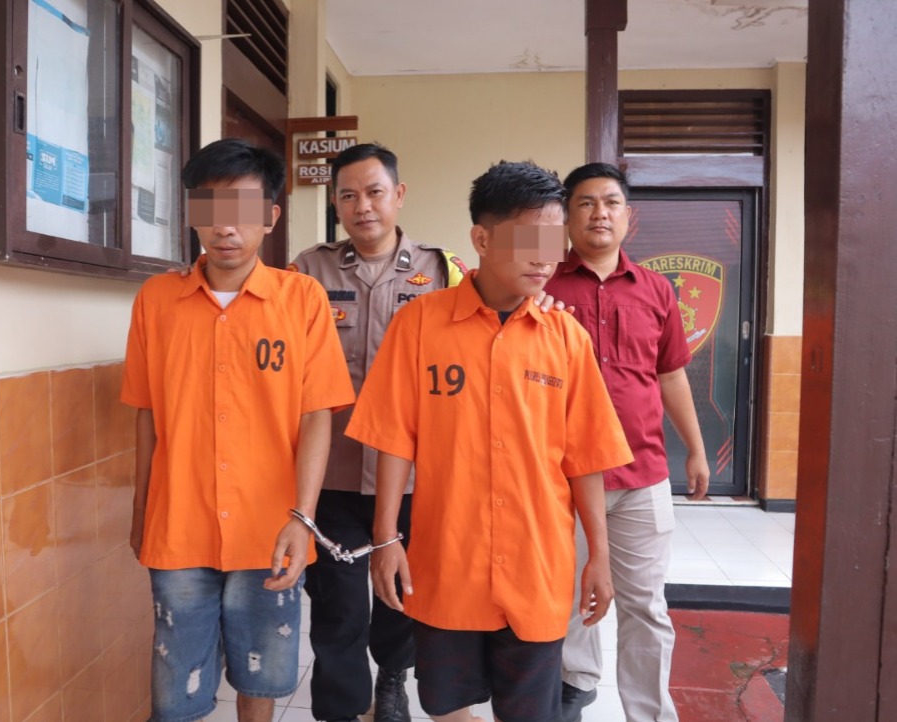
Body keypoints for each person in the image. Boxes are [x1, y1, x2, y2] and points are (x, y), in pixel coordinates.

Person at [346, 160, 634, 722]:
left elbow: (586, 458)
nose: (545, 258)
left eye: (553, 241)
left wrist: (599, 556)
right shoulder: (420, 325)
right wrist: (385, 538)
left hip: (537, 567)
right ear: (481, 239)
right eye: (528, 241)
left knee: (528, 709)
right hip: (448, 561)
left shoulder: (566, 338)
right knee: (445, 703)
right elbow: (393, 438)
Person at [121, 138, 355, 722]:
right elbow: (148, 414)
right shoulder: (158, 300)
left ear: (270, 217)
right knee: (176, 686)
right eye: (211, 209)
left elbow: (316, 415)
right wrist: (142, 508)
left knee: (263, 673)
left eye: (244, 211)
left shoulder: (302, 299)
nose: (226, 227)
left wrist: (303, 518)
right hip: (179, 524)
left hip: (270, 527)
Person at [289, 142, 466, 722]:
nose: (362, 206)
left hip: (413, 474)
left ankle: (392, 680)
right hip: (332, 473)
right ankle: (342, 707)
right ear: (335, 203)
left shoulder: (444, 272)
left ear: (399, 195)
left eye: (374, 192)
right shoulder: (306, 271)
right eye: (348, 195)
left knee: (399, 594)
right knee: (338, 606)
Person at [544, 162, 711, 722]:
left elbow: (671, 375)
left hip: (642, 474)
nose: (600, 213)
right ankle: (573, 689)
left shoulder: (657, 289)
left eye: (611, 202)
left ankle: (650, 713)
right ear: (567, 216)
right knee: (568, 597)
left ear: (628, 216)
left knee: (646, 606)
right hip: (563, 477)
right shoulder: (542, 285)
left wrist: (696, 448)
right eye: (586, 202)